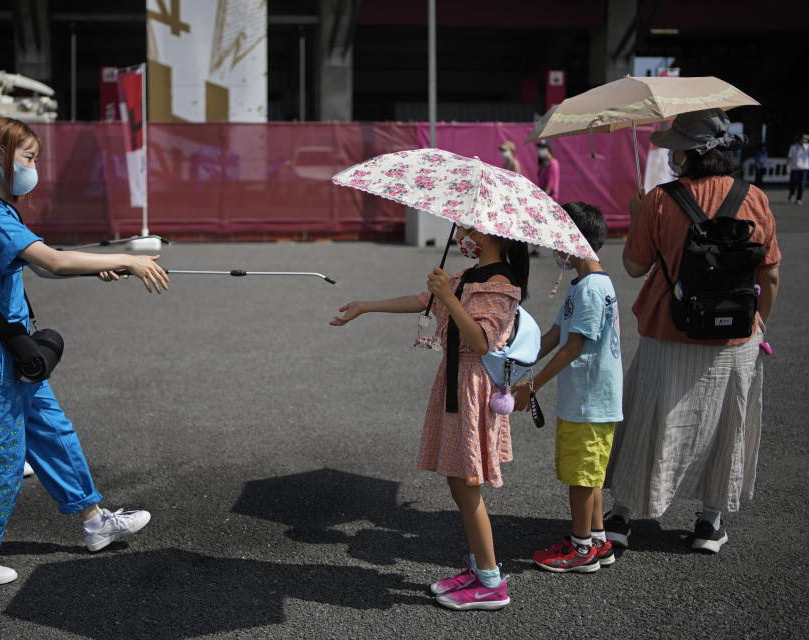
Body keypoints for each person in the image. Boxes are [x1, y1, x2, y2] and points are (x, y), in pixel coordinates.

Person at [0, 117, 170, 586]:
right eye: (28, 158)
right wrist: (126, 258)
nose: (33, 168)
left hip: (7, 344)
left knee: (50, 430)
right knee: (1, 450)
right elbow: (53, 260)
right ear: (0, 158)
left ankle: (94, 521)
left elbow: (46, 268)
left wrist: (102, 267)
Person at [603, 108, 781, 554]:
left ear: (687, 154)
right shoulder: (755, 197)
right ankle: (709, 521)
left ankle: (622, 514)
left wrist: (637, 216)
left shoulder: (661, 200)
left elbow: (634, 266)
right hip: (735, 333)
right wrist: (759, 325)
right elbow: (771, 273)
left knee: (649, 416)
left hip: (670, 326)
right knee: (726, 424)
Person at [330, 226, 530, 611]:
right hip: (455, 380)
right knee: (458, 480)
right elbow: (422, 301)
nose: (464, 232)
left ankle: (491, 582)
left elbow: (481, 341)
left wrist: (447, 297)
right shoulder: (468, 275)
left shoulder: (501, 281)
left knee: (467, 483)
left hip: (472, 385)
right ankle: (479, 569)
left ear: (490, 235)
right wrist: (366, 306)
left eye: (471, 227)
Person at [511, 202, 623, 573]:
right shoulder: (584, 284)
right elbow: (554, 336)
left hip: (591, 401)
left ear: (575, 239)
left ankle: (580, 550)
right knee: (587, 474)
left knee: (581, 476)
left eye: (558, 236)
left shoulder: (591, 288)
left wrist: (531, 385)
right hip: (588, 400)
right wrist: (514, 364)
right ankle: (597, 540)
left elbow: (573, 346)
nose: (554, 245)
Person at [786, 133, 809, 204]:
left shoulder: (807, 147)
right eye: (803, 139)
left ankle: (799, 198)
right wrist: (787, 166)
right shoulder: (793, 147)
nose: (804, 141)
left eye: (806, 139)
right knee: (793, 183)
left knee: (801, 184)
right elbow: (789, 157)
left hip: (804, 168)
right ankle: (792, 193)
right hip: (794, 168)